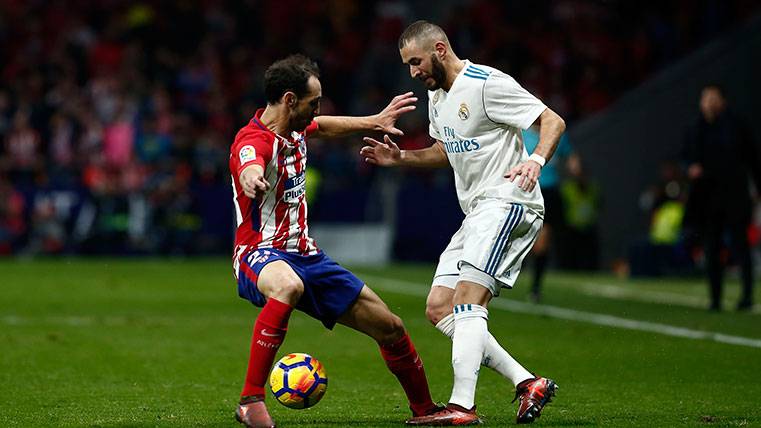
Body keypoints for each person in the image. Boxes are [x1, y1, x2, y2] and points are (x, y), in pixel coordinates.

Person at [361, 21, 566, 425]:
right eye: (407, 65)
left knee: (469, 298)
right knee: (439, 308)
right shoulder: (437, 97)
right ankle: (528, 382)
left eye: (416, 62)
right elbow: (444, 152)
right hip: (477, 212)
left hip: (509, 202)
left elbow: (552, 121)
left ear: (439, 49)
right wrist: (401, 159)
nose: (413, 72)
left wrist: (535, 160)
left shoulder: (487, 83)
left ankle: (461, 407)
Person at [230, 54, 440, 428]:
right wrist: (251, 177)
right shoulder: (253, 141)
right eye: (314, 102)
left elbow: (323, 126)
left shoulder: (295, 129)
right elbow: (250, 162)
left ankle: (425, 411)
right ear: (290, 100)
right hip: (258, 254)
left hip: (307, 256)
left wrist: (372, 121)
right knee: (287, 286)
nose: (318, 110)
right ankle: (250, 399)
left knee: (390, 326)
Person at [682, 84, 760, 311]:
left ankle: (746, 295)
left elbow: (752, 158)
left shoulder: (736, 125)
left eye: (713, 97)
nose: (709, 102)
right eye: (705, 97)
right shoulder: (696, 127)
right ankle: (715, 298)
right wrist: (690, 168)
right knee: (711, 247)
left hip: (734, 195)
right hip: (708, 198)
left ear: (722, 101)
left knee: (740, 246)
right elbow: (685, 157)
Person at [522, 125, 572, 302]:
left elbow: (571, 158)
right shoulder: (520, 132)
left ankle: (535, 286)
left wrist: (576, 167)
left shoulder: (556, 131)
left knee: (542, 240)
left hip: (547, 191)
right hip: (523, 189)